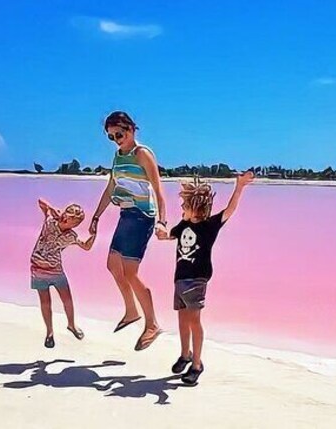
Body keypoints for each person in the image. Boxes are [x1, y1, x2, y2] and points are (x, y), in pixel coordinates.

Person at [157, 170, 255, 385]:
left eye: (185, 206)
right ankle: (185, 355)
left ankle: (197, 364)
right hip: (180, 280)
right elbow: (168, 236)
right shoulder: (184, 225)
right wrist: (161, 231)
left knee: (194, 321)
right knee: (182, 319)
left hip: (197, 279)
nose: (181, 209)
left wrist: (239, 187)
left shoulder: (209, 226)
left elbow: (230, 210)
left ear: (196, 208)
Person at [90, 111, 168, 351]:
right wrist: (96, 216)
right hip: (126, 215)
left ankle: (152, 324)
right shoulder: (118, 156)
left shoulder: (142, 154)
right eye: (111, 137)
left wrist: (163, 222)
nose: (116, 139)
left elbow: (157, 188)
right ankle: (131, 311)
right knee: (113, 265)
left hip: (142, 217)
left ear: (131, 129)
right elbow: (111, 186)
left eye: (119, 134)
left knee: (131, 272)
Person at [31, 198, 95, 348]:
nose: (74, 225)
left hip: (55, 269)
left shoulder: (71, 236)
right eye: (73, 221)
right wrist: (52, 208)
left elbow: (86, 246)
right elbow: (40, 201)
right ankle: (49, 333)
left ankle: (71, 325)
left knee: (67, 299)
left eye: (77, 223)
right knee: (46, 302)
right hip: (38, 268)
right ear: (65, 216)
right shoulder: (50, 221)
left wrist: (94, 234)